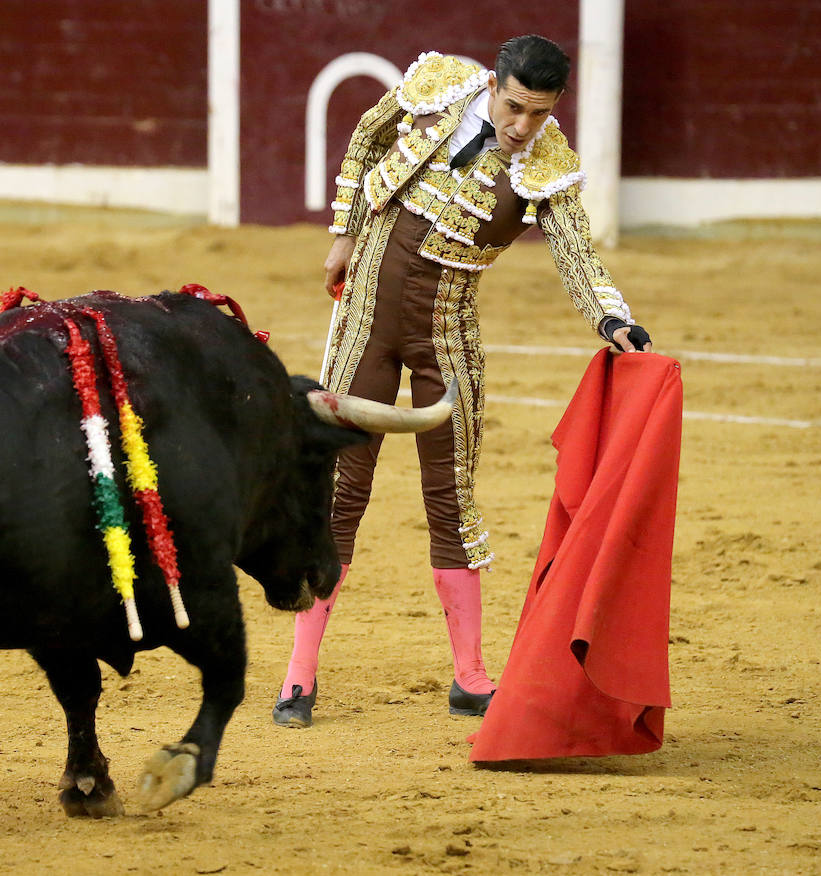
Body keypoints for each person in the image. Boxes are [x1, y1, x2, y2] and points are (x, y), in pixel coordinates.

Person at [272, 35, 653, 727]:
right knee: (341, 493)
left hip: (446, 335)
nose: (522, 127)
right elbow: (364, 137)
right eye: (513, 107)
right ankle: (299, 677)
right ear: (493, 84)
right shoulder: (439, 88)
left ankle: (471, 678)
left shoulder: (547, 168)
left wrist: (612, 319)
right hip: (366, 321)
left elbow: (575, 252)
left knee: (450, 499)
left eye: (538, 114)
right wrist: (343, 233)